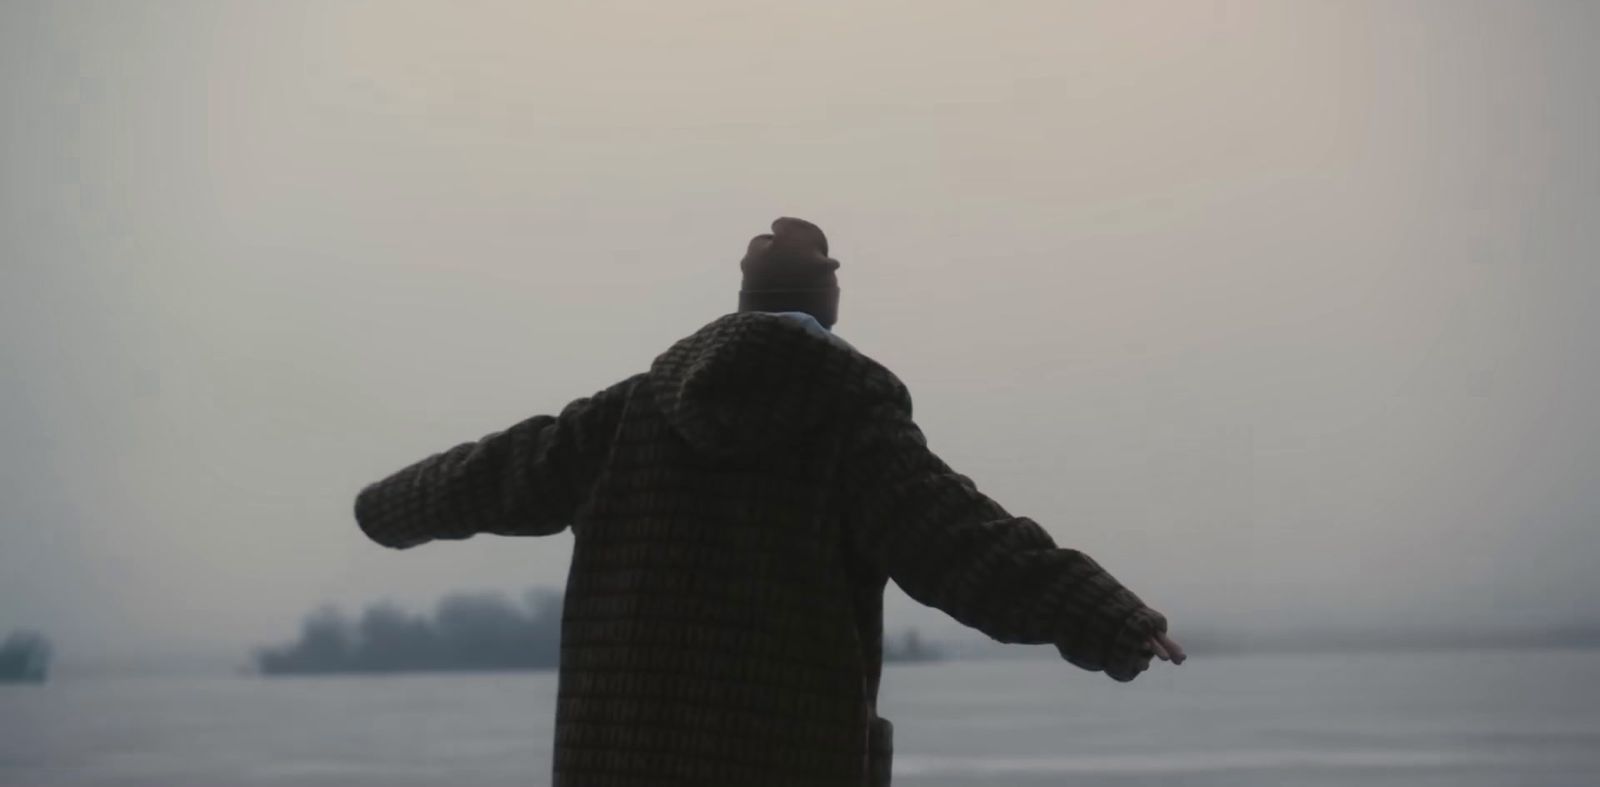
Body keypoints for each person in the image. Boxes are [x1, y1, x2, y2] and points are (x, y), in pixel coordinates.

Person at [354, 217, 1184, 786]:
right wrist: (1105, 613)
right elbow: (965, 546)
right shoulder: (850, 425)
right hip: (782, 757)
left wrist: (385, 506)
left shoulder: (626, 415)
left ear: (743, 304)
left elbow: (491, 471)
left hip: (620, 757)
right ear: (828, 307)